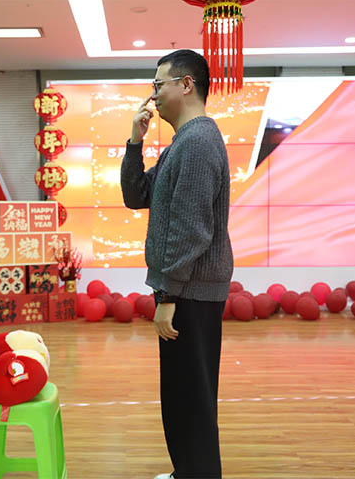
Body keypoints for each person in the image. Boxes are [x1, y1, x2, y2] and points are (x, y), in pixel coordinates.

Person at [120, 49, 234, 479]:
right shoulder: (181, 144)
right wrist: (135, 140)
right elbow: (136, 195)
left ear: (186, 85)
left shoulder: (199, 141)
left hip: (190, 292)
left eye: (158, 85)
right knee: (183, 397)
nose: (153, 95)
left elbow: (192, 228)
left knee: (191, 401)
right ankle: (187, 471)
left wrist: (167, 295)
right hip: (185, 289)